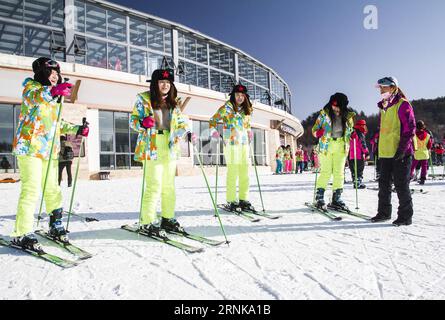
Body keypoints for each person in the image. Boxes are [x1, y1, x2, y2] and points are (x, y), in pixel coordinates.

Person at [11, 57, 89, 250]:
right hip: (29, 148)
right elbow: (35, 98)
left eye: (57, 73)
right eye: (50, 72)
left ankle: (55, 224)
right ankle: (22, 232)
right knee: (31, 190)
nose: (55, 76)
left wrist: (77, 129)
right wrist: (53, 91)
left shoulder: (53, 100)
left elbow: (57, 124)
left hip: (49, 150)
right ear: (40, 73)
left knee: (52, 189)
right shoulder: (30, 89)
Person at [130, 68, 196, 237]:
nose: (165, 85)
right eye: (161, 82)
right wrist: (143, 123)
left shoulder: (174, 103)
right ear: (155, 84)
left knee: (169, 186)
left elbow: (181, 123)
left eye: (168, 82)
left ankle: (167, 218)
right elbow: (133, 121)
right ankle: (147, 221)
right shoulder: (143, 99)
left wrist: (186, 132)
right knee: (154, 185)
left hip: (170, 145)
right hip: (151, 145)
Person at [371, 77, 416, 226]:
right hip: (385, 152)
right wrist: (378, 148)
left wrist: (402, 149)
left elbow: (410, 129)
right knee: (384, 184)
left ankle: (405, 216)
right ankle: (384, 213)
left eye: (383, 88)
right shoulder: (383, 107)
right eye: (380, 88)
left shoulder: (403, 104)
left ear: (392, 88)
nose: (381, 91)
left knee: (401, 185)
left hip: (400, 152)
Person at [209, 83, 255, 213]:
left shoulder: (248, 110)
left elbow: (247, 125)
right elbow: (212, 121)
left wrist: (249, 131)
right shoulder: (226, 108)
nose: (240, 97)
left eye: (242, 95)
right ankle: (231, 200)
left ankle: (243, 199)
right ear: (233, 96)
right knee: (233, 172)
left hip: (244, 144)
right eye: (237, 95)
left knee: (245, 173)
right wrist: (215, 133)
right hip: (231, 143)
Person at [312, 92, 355, 210]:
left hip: (341, 145)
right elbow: (314, 130)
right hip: (326, 146)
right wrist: (318, 132)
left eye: (338, 106)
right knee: (326, 172)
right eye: (333, 105)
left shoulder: (348, 116)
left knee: (339, 172)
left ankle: (336, 198)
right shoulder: (323, 114)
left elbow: (350, 130)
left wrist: (353, 132)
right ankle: (319, 197)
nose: (335, 108)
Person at [410, 120, 432, 185]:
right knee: (424, 166)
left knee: (412, 166)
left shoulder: (414, 134)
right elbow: (429, 145)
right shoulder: (428, 135)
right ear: (423, 127)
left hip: (416, 153)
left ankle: (409, 176)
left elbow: (412, 143)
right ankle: (422, 179)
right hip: (424, 153)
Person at [349, 119, 369, 189]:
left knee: (354, 170)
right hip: (359, 155)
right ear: (362, 125)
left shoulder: (352, 133)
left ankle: (355, 182)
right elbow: (363, 144)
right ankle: (358, 183)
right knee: (359, 169)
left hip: (351, 155)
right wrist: (366, 153)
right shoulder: (360, 133)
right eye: (364, 125)